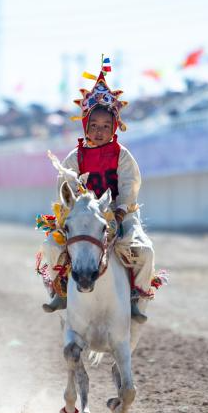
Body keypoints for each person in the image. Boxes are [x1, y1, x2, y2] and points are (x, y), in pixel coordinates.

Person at [39, 60, 155, 322]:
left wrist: (121, 210)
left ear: (114, 126)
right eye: (94, 125)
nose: (100, 131)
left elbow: (129, 186)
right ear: (85, 126)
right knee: (50, 246)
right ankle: (61, 292)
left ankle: (137, 297)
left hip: (119, 215)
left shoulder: (122, 156)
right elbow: (65, 191)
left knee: (145, 252)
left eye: (105, 125)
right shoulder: (73, 158)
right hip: (83, 219)